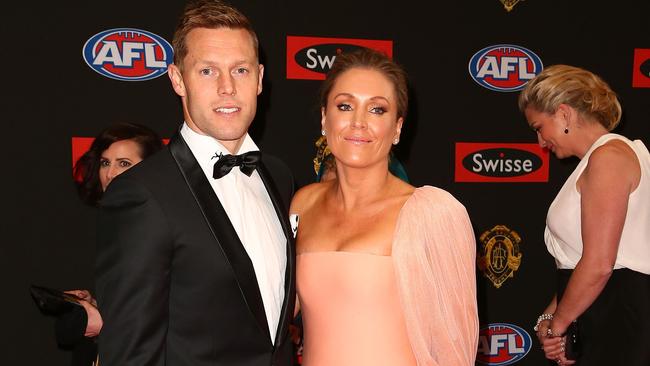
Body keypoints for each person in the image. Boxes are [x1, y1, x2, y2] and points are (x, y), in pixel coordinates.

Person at [94, 1, 296, 365]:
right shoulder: (142, 194)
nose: (227, 88)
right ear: (177, 79)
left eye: (240, 70)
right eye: (207, 71)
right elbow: (130, 354)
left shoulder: (278, 177)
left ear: (260, 78)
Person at [289, 48, 479, 366]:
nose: (359, 123)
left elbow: (453, 350)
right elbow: (281, 308)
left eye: (377, 110)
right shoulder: (303, 203)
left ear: (397, 128)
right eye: (345, 106)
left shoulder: (431, 213)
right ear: (325, 117)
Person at [520, 65, 650, 366]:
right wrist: (551, 317)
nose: (540, 143)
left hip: (616, 316)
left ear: (564, 114)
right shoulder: (601, 159)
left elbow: (600, 264)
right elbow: (578, 262)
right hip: (601, 311)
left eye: (539, 127)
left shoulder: (609, 157)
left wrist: (559, 325)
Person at [57, 122, 163, 366]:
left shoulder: (160, 227)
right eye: (106, 162)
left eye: (124, 163)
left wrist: (106, 322)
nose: (110, 173)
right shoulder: (114, 226)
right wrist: (97, 304)